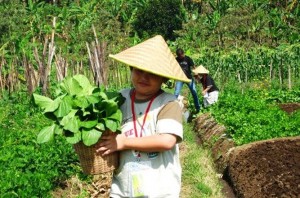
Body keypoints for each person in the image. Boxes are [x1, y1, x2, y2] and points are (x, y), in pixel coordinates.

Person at [96, 35, 189, 198]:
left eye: (152, 73)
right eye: (139, 70)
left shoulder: (167, 103)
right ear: (131, 69)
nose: (144, 77)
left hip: (159, 190)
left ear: (163, 78)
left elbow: (167, 140)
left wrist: (124, 142)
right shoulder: (119, 98)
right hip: (123, 188)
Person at [174, 48, 201, 113]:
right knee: (176, 93)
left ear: (183, 53)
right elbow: (174, 69)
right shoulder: (176, 60)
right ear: (178, 55)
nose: (181, 57)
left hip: (189, 78)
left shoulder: (188, 59)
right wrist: (174, 80)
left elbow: (194, 67)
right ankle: (173, 108)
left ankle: (198, 108)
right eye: (179, 56)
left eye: (181, 55)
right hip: (180, 78)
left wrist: (196, 74)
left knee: (194, 92)